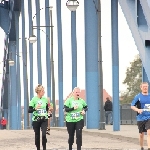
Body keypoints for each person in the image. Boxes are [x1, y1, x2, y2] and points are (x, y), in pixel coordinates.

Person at [28, 84, 49, 150]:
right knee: (37, 136)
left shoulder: (45, 99)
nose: (44, 92)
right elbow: (29, 110)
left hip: (44, 119)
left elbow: (46, 109)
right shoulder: (33, 99)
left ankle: (44, 148)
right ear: (39, 91)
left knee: (44, 135)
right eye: (43, 91)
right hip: (36, 120)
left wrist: (49, 109)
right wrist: (35, 108)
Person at [131, 82, 150, 150]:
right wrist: (138, 110)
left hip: (149, 117)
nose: (145, 88)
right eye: (144, 86)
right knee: (141, 134)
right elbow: (132, 106)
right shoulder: (138, 96)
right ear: (141, 88)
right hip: (140, 118)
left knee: (149, 132)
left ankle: (149, 147)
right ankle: (141, 147)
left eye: (146, 86)